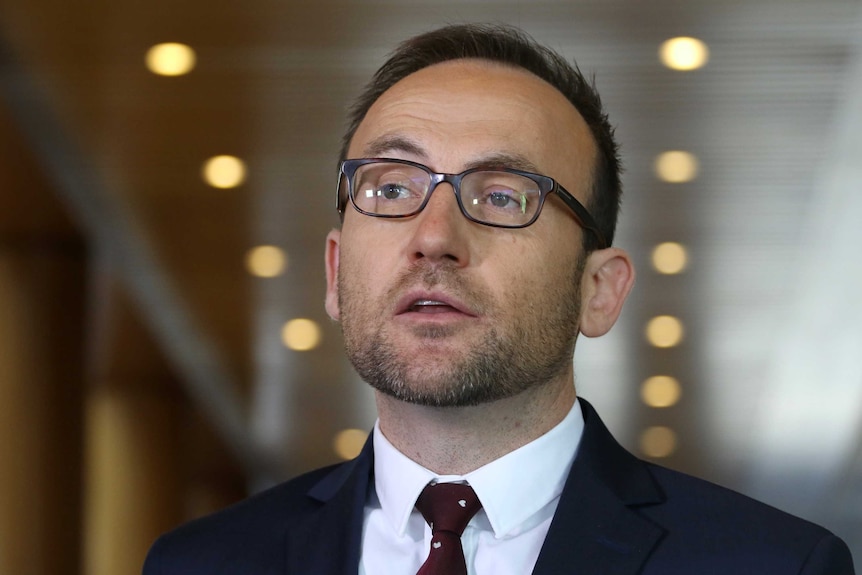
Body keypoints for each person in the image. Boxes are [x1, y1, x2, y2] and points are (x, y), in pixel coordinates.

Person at [143, 23, 855, 574]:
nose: (432, 238)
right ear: (334, 274)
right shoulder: (202, 563)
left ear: (598, 290)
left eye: (502, 195)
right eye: (392, 187)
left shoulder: (770, 563)